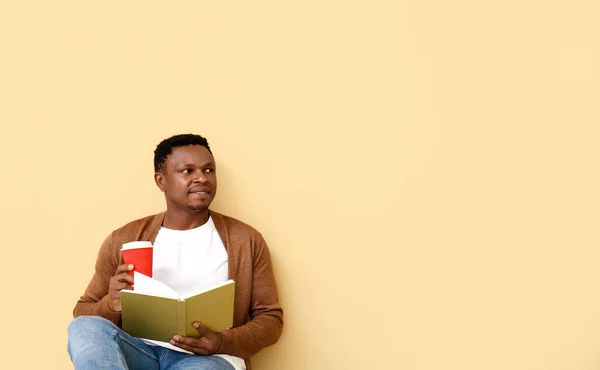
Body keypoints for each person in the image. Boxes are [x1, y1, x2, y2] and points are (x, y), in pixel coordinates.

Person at [68, 134, 283, 370]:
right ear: (161, 181)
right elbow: (83, 312)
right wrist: (110, 304)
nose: (201, 178)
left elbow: (270, 319)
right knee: (82, 327)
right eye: (188, 171)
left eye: (209, 170)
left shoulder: (246, 240)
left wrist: (222, 341)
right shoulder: (124, 239)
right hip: (141, 353)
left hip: (207, 360)